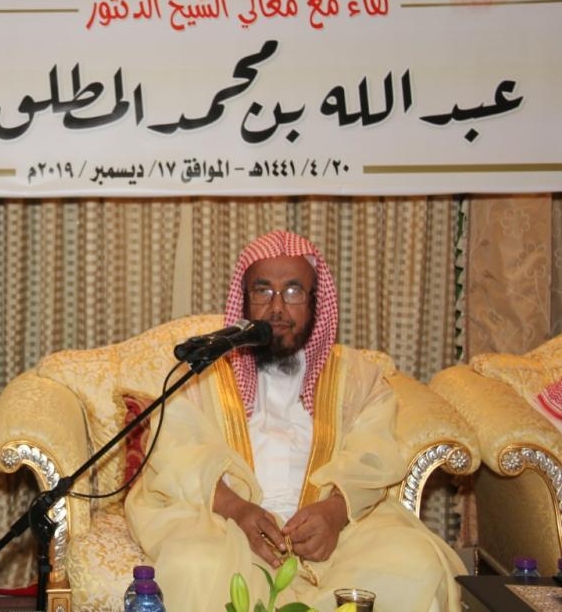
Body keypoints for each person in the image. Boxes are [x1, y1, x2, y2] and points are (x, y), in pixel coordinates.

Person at [124, 230, 465, 612]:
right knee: (195, 565)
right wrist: (237, 510)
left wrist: (335, 513)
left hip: (339, 530)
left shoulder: (357, 377)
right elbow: (176, 455)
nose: (277, 308)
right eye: (263, 291)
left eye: (293, 291)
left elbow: (373, 456)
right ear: (245, 299)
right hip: (227, 526)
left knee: (414, 563)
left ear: (316, 301)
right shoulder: (205, 373)